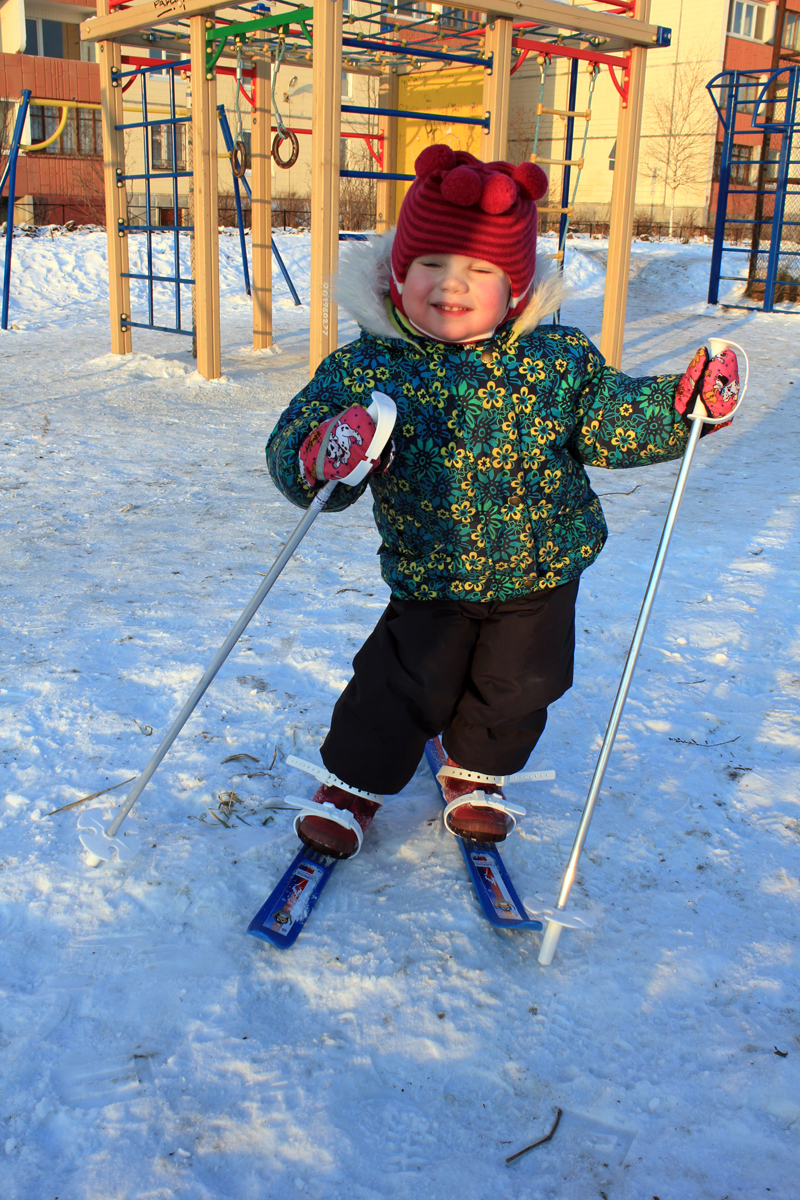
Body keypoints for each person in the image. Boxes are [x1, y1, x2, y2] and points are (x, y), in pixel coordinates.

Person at [265, 146, 739, 860]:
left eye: (480, 271)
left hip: (544, 564)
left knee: (520, 685)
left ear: (516, 289)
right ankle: (353, 784)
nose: (452, 286)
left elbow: (612, 421)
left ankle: (475, 772)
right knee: (401, 683)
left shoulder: (557, 362)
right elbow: (292, 448)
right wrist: (326, 449)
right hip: (433, 567)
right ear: (398, 273)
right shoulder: (366, 367)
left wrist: (681, 406)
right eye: (431, 265)